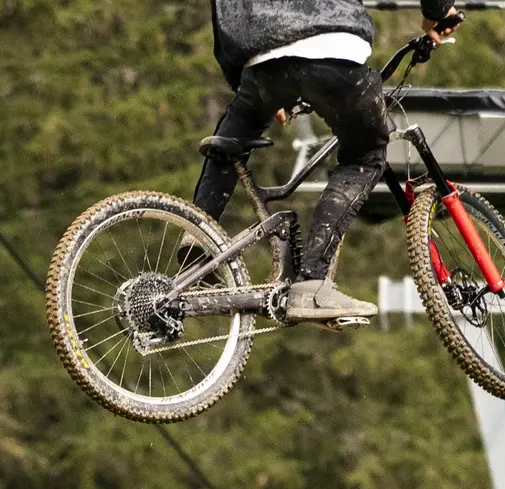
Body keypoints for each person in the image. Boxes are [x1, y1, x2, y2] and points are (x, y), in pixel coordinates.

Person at [193, 0, 460, 321]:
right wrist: (438, 11)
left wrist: (246, 75)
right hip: (330, 43)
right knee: (366, 153)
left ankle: (196, 238)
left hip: (259, 60)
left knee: (231, 138)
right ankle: (313, 284)